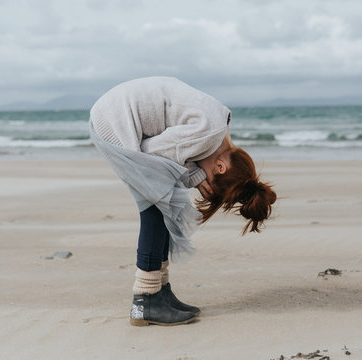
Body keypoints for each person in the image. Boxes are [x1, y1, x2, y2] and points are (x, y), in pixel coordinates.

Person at [89, 77, 276, 326]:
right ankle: (145, 299)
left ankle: (160, 292)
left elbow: (171, 151)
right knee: (155, 207)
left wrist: (195, 174)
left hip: (116, 113)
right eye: (209, 181)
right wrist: (198, 175)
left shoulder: (218, 133)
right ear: (220, 166)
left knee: (165, 204)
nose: (202, 186)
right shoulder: (208, 133)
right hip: (114, 120)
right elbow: (152, 151)